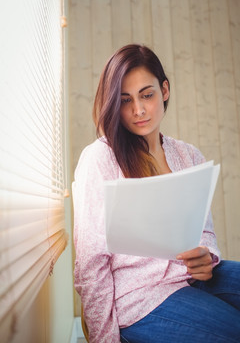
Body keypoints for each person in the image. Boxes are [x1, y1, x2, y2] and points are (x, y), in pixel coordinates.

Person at [73, 44, 240, 343]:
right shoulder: (99, 159)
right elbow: (89, 264)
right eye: (125, 100)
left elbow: (204, 232)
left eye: (146, 95)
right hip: (142, 298)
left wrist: (207, 255)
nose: (138, 110)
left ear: (164, 90)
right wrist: (104, 339)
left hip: (192, 280)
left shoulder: (188, 155)